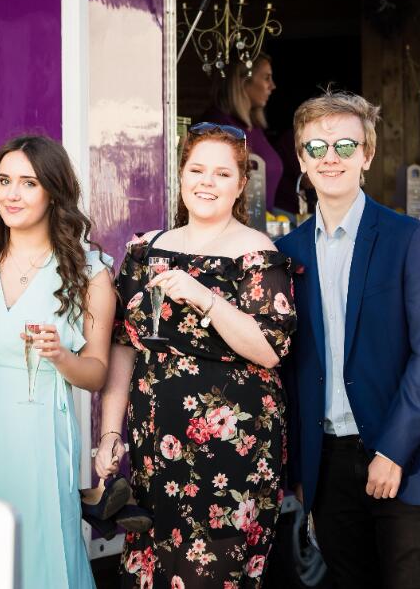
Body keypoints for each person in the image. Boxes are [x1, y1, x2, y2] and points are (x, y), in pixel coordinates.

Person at [95, 122, 296, 588]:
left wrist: (205, 298)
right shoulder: (144, 251)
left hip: (231, 457)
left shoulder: (258, 254)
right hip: (154, 453)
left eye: (222, 174)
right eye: (197, 170)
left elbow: (271, 349)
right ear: (181, 175)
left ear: (241, 184)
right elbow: (123, 347)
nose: (207, 182)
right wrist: (109, 433)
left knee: (210, 573)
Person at [276, 91, 420, 589]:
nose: (330, 157)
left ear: (367, 155)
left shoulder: (407, 238)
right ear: (301, 158)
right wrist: (298, 469)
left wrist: (393, 452)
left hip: (405, 458)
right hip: (327, 464)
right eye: (316, 147)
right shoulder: (285, 253)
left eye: (345, 145)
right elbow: (287, 366)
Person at [0, 135, 115, 589]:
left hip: (40, 433)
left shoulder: (89, 273)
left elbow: (96, 374)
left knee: (40, 552)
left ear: (53, 192)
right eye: (4, 181)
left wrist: (61, 356)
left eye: (28, 183)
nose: (11, 194)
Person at [203, 52, 283, 210]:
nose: (272, 86)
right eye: (266, 78)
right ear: (243, 80)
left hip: (262, 221)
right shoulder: (219, 125)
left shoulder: (253, 127)